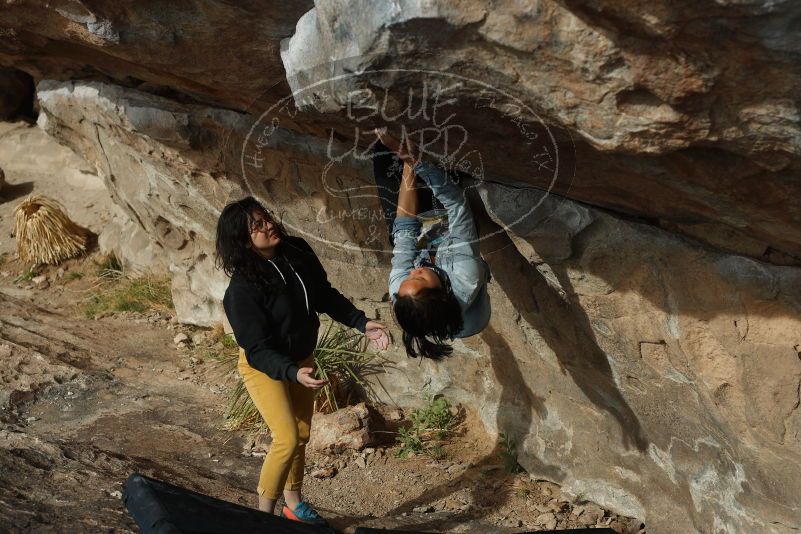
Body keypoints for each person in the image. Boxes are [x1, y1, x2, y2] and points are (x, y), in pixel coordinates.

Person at [216, 196, 389, 525]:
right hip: (265, 366)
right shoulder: (241, 289)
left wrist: (361, 322)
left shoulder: (296, 251)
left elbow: (323, 294)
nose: (269, 225)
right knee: (287, 438)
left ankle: (293, 504)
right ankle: (261, 520)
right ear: (243, 241)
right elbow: (256, 348)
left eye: (266, 217)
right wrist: (291, 372)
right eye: (257, 226)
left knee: (302, 433)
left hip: (301, 361)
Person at [373, 129, 491, 360]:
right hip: (449, 230)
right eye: (420, 278)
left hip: (422, 241)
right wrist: (420, 163)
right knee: (437, 154)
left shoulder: (400, 290)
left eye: (409, 277)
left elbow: (405, 229)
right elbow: (457, 207)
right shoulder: (465, 276)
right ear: (443, 294)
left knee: (383, 156)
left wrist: (408, 163)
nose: (413, 272)